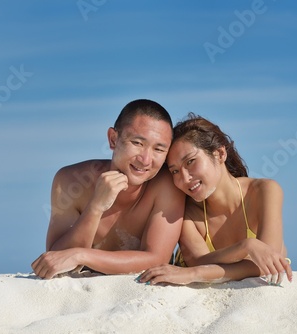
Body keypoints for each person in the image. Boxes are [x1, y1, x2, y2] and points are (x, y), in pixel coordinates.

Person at [31, 99, 185, 279]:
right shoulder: (70, 181)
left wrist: (81, 255)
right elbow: (55, 260)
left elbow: (157, 259)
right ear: (113, 139)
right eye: (137, 143)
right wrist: (95, 207)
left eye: (158, 149)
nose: (145, 159)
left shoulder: (166, 185)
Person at [138, 113, 292, 286]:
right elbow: (199, 261)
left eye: (190, 162)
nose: (184, 178)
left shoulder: (264, 191)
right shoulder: (187, 211)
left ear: (220, 153)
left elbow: (267, 263)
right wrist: (246, 247)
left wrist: (194, 273)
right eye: (175, 171)